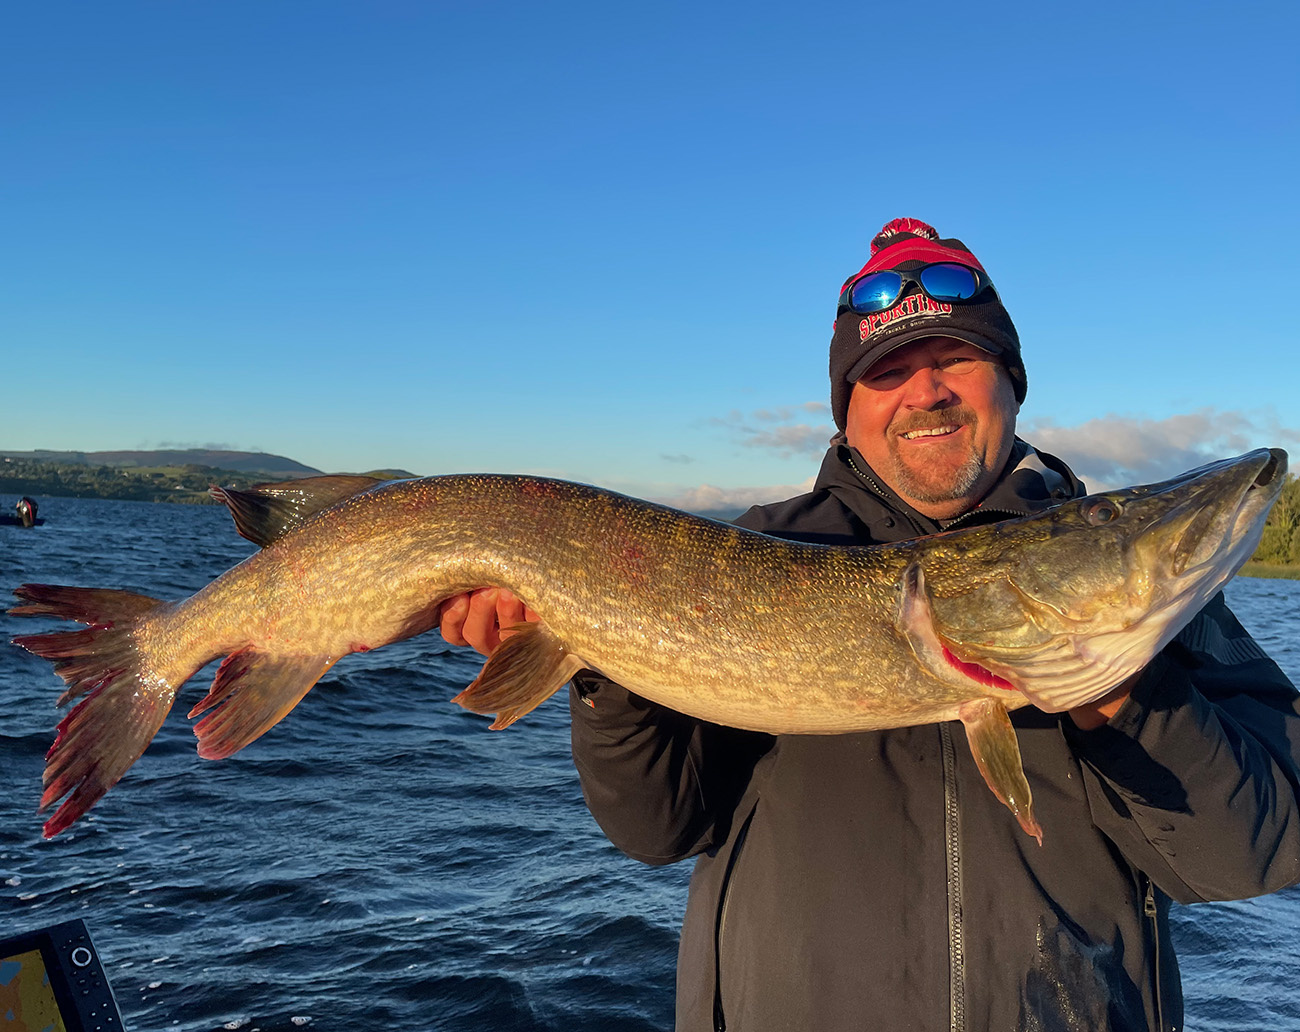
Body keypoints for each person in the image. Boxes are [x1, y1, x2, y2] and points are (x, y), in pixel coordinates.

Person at [438, 218, 1300, 1031]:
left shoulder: (1164, 615)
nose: (925, 390)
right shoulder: (757, 550)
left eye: (957, 360)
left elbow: (1257, 853)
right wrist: (598, 655)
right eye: (887, 372)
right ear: (847, 407)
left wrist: (1122, 688)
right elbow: (657, 830)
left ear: (1011, 383)